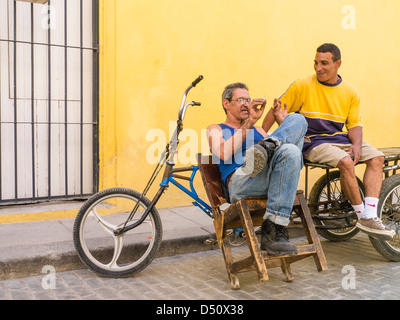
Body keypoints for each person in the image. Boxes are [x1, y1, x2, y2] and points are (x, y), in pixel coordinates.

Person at [262, 43, 394, 240]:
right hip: (312, 142)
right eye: (315, 63)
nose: (318, 68)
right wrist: (261, 136)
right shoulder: (302, 85)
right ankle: (362, 217)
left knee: (377, 158)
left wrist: (357, 145)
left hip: (338, 139)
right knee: (346, 162)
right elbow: (277, 111)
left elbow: (355, 124)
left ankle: (370, 215)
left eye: (324, 63)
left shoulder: (350, 91)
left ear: (338, 63)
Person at [207, 82, 308, 255]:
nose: (246, 104)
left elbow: (293, 151)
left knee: (297, 122)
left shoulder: (260, 130)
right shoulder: (215, 129)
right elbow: (222, 153)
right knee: (285, 149)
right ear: (226, 103)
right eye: (240, 99)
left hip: (269, 178)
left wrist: (283, 123)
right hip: (242, 180)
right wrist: (250, 122)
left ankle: (273, 230)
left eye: (248, 99)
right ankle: (275, 229)